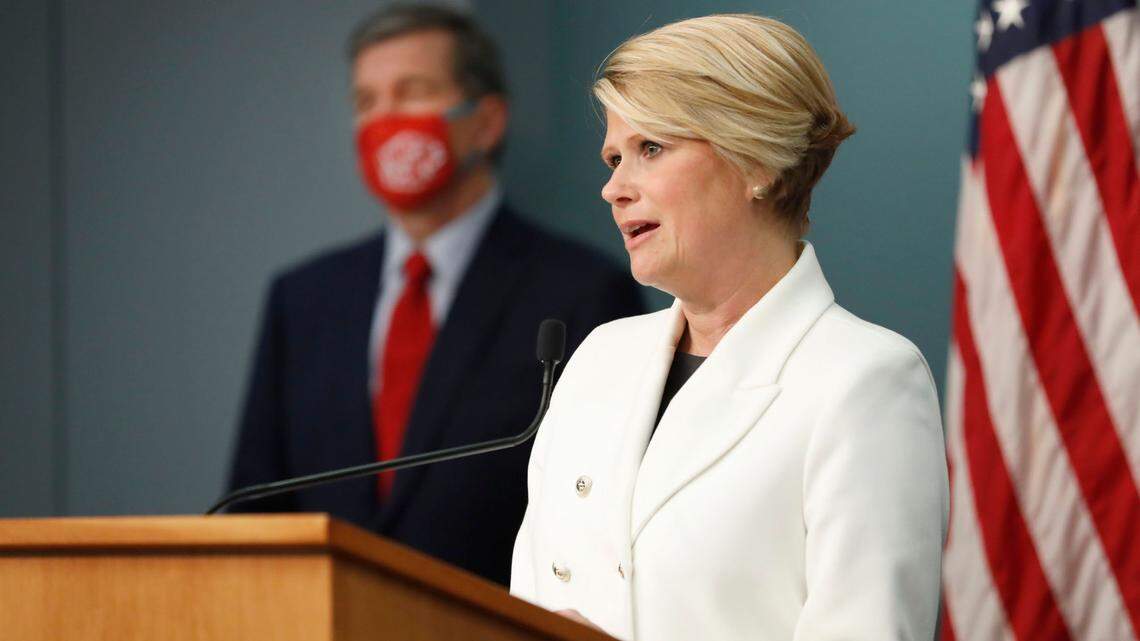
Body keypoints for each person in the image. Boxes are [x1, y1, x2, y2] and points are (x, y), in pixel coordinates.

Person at [509, 14, 948, 640]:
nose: (613, 188)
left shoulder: (865, 380)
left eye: (650, 149)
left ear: (755, 160)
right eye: (613, 157)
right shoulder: (598, 360)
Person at [227, 4, 644, 587]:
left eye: (411, 92)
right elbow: (253, 509)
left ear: (486, 121)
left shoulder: (579, 290)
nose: (384, 120)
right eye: (366, 102)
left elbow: (599, 518)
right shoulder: (302, 301)